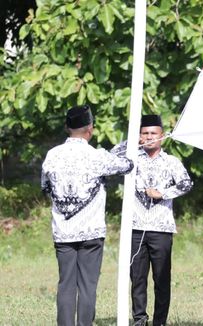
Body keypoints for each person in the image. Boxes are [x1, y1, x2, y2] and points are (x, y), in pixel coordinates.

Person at [41, 105, 133, 326]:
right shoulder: (96, 156)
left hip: (63, 233)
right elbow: (127, 165)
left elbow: (45, 186)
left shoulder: (52, 155)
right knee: (87, 286)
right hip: (91, 232)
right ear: (90, 129)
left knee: (66, 285)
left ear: (67, 127)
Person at [121, 114, 192, 326]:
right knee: (137, 277)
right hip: (135, 227)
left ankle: (159, 321)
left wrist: (162, 193)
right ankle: (139, 319)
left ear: (162, 136)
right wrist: (131, 142)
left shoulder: (171, 162)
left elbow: (186, 183)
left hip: (161, 228)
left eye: (153, 133)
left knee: (161, 278)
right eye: (145, 133)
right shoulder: (131, 158)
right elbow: (112, 155)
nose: (149, 137)